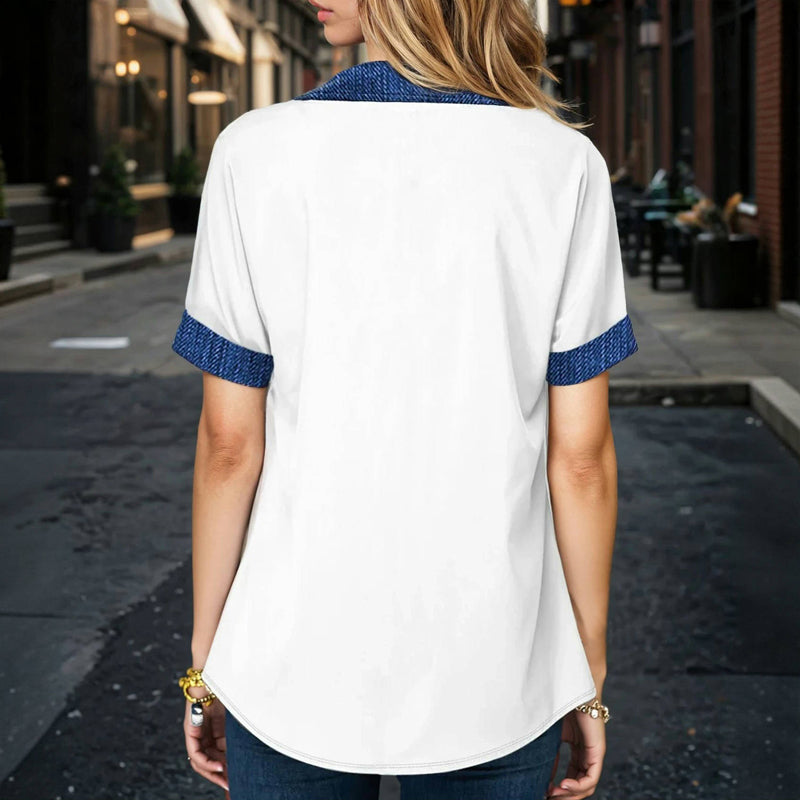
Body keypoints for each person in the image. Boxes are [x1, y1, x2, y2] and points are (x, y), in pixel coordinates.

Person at [171, 0, 639, 798]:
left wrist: (206, 663)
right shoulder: (564, 165)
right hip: (497, 664)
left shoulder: (254, 151)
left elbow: (229, 445)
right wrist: (584, 675)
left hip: (292, 660)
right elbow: (581, 458)